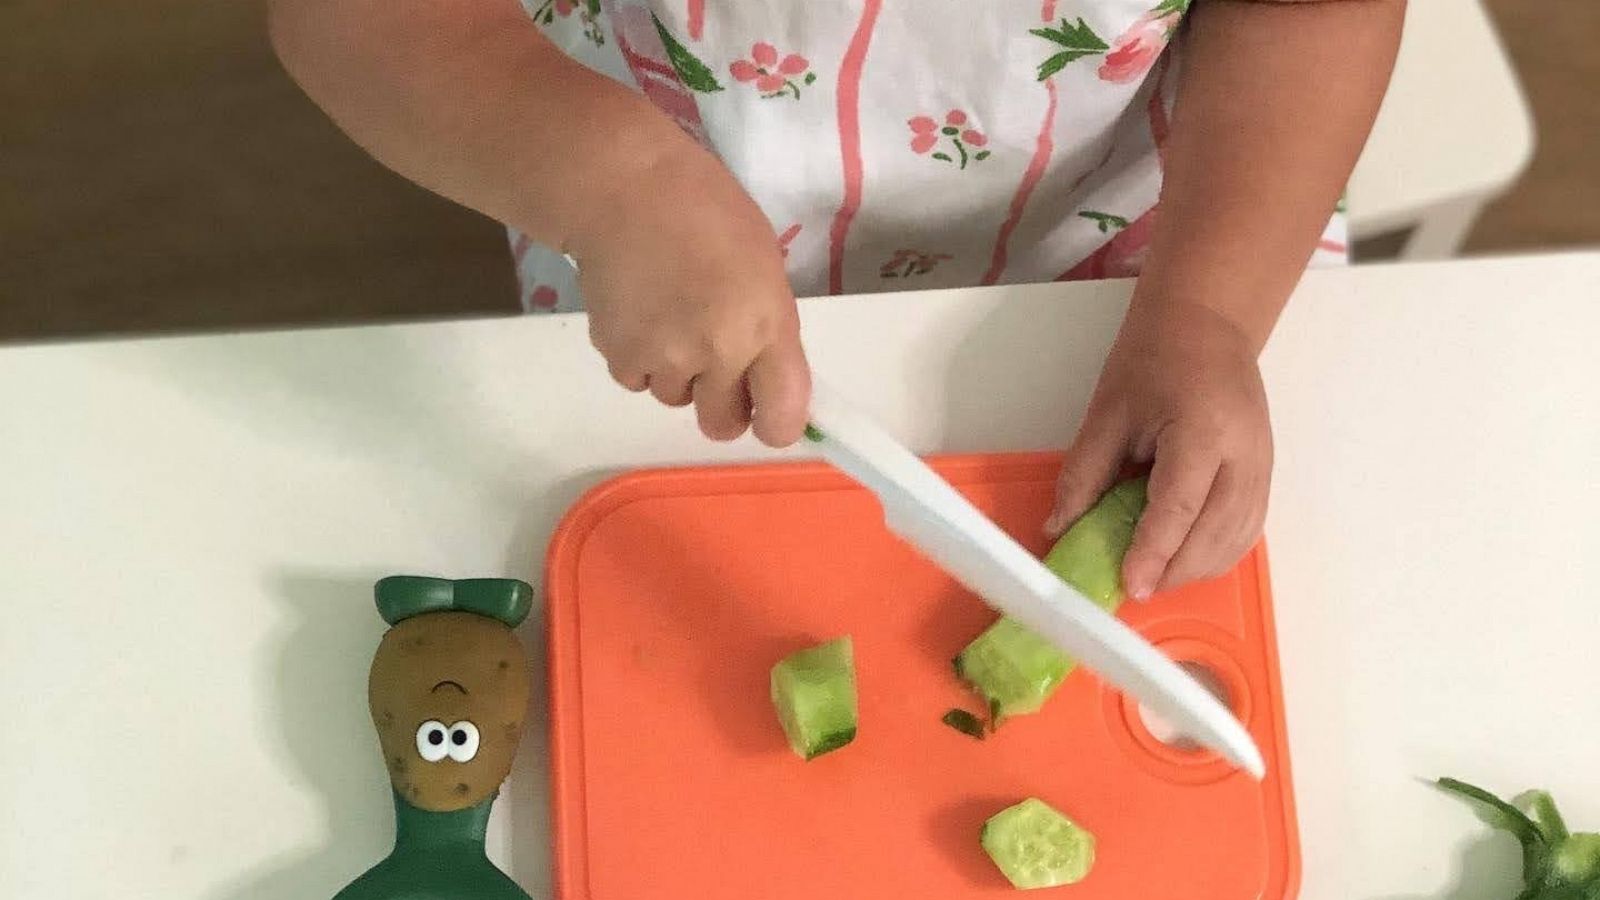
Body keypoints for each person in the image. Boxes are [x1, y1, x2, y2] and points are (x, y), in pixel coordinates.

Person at [268, 0, 1403, 597]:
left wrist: (1208, 311)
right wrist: (616, 188)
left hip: (1151, 230)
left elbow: (1307, 14)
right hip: (661, 226)